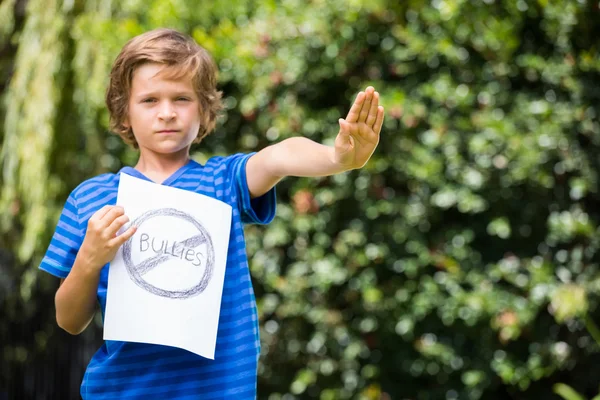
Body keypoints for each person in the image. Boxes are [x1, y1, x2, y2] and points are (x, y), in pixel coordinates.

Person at [39, 28, 384, 399]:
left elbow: (280, 155)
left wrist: (338, 158)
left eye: (182, 98)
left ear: (203, 109)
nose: (167, 113)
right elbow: (70, 320)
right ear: (124, 111)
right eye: (150, 100)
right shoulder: (90, 199)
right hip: (121, 391)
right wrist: (89, 260)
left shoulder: (224, 183)